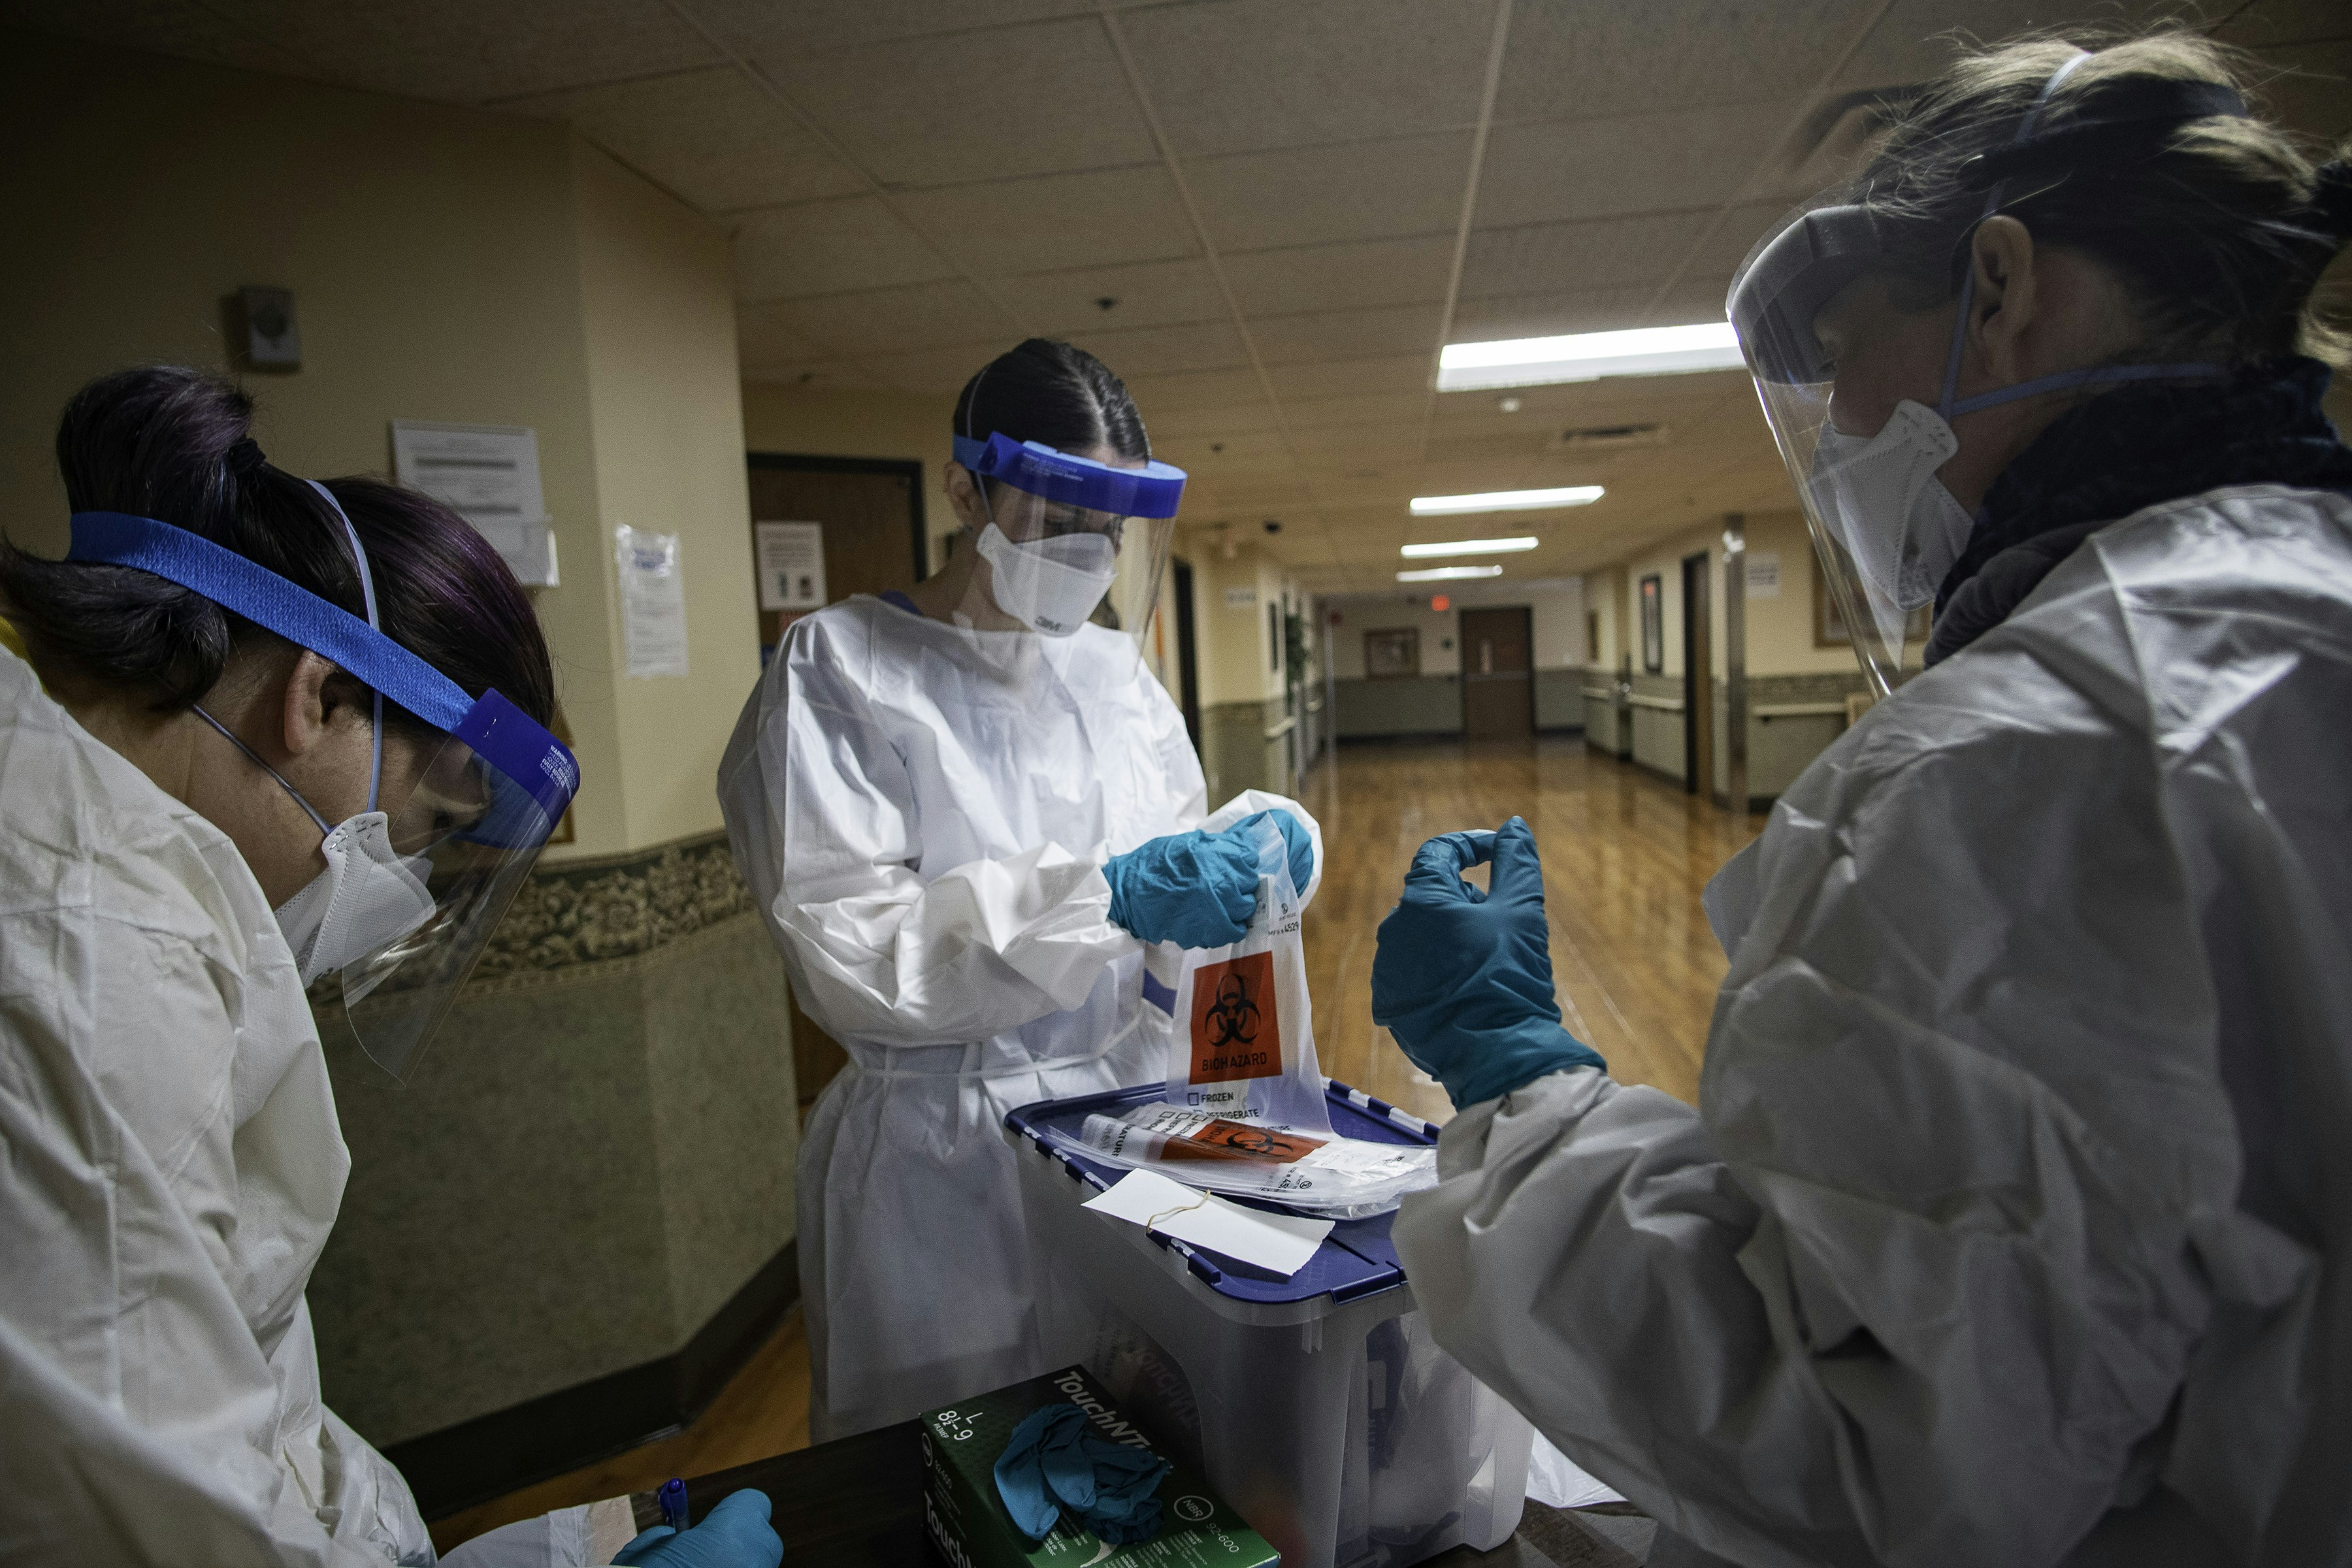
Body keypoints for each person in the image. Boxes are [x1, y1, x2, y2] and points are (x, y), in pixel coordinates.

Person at [1370, 32, 2352, 1568]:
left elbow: (1866, 1445)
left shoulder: (2018, 763)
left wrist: (1522, 1094)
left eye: (1845, 356)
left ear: (2002, 285)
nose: (1835, 433)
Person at [0, 367, 779, 1568]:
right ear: (314, 699)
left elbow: (238, 1419)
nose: (400, 877)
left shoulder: (86, 834)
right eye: (421, 828)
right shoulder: (99, 959)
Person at [719, 338, 1321, 1441]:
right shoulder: (840, 668)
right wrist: (1112, 898)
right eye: (1058, 520)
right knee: (954, 1466)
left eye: (1109, 529)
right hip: (941, 1156)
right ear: (964, 489)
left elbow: (1177, 880)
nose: (1087, 554)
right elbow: (857, 957)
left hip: (1135, 1126)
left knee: (1146, 1450)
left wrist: (1252, 864)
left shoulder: (1116, 678)